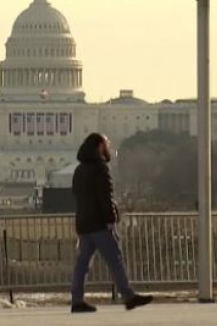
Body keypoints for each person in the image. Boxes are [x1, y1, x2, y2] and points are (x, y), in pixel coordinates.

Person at [70, 133, 153, 313]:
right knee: (115, 259)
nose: (109, 146)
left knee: (82, 263)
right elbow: (105, 197)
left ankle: (76, 299)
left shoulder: (79, 170)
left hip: (84, 224)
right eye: (107, 143)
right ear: (100, 146)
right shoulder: (100, 169)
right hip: (99, 224)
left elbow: (77, 196)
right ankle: (128, 295)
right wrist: (110, 219)